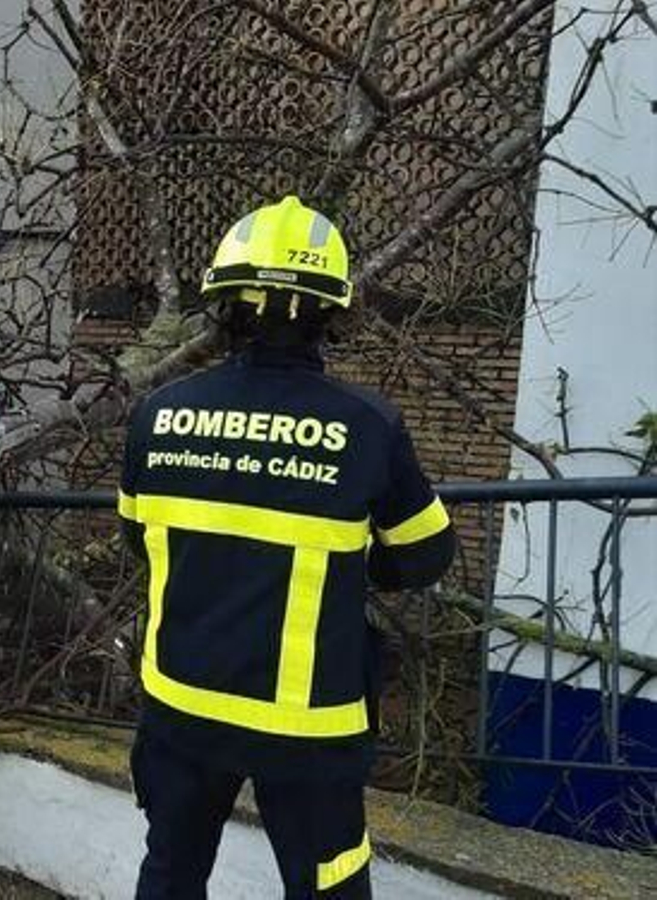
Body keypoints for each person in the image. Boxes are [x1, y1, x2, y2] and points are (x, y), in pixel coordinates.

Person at [117, 196, 455, 899]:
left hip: (180, 707)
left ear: (224, 304)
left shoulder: (158, 414)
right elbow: (425, 555)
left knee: (171, 872)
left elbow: (138, 539)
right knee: (327, 885)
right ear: (331, 312)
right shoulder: (367, 426)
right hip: (307, 727)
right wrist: (353, 563)